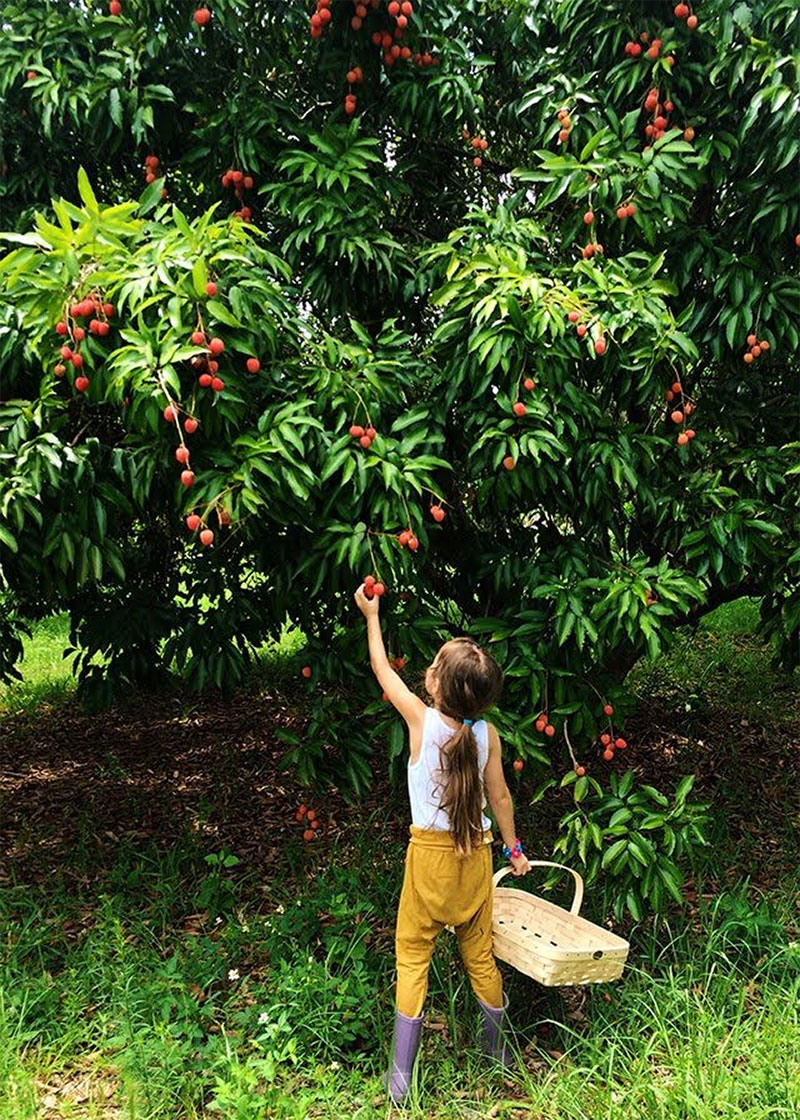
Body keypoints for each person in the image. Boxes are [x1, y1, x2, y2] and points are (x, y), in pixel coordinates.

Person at [354, 583, 532, 1105]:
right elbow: (499, 795)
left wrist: (372, 615)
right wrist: (512, 848)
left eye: (432, 666)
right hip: (474, 858)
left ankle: (401, 1078)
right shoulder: (487, 735)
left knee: (412, 955)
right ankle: (496, 1054)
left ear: (435, 684)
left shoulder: (420, 720)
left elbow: (382, 671)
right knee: (479, 956)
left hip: (429, 861)